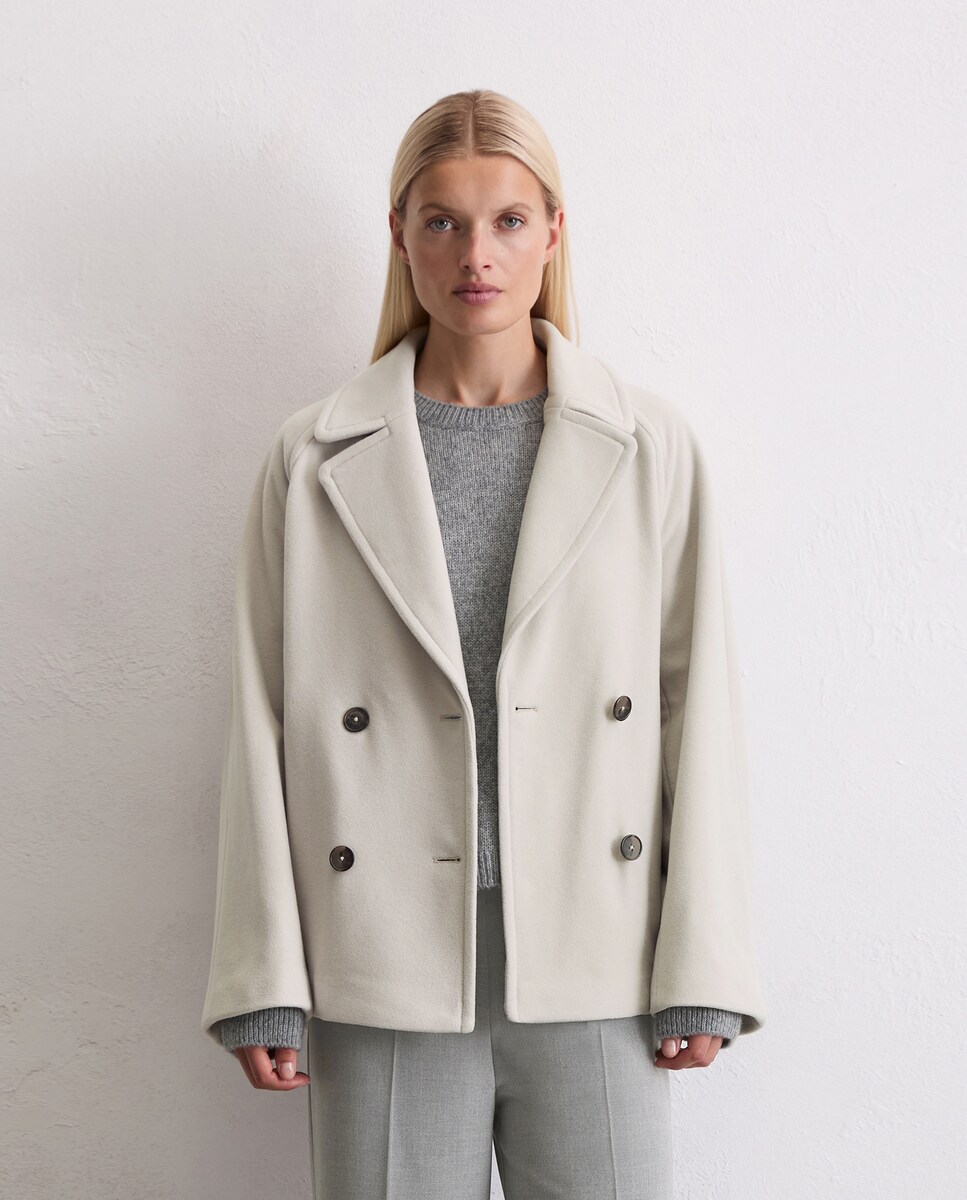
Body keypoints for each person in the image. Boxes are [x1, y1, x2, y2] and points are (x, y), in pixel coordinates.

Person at [201, 88, 767, 1199]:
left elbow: (696, 707)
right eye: (443, 221)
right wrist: (261, 979)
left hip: (597, 957)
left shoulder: (647, 445)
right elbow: (261, 718)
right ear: (399, 236)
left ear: (553, 233)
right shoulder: (312, 457)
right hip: (380, 958)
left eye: (507, 220)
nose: (477, 255)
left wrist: (702, 965)